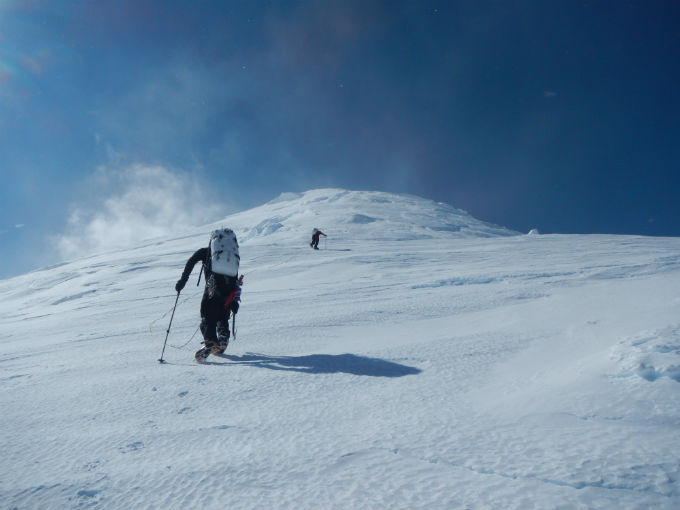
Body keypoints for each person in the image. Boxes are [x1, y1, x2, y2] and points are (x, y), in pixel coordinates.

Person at [175, 235, 242, 362]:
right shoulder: (230, 256)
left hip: (212, 288)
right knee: (223, 314)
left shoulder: (205, 252)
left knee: (208, 316)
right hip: (228, 292)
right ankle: (223, 337)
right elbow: (234, 277)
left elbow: (191, 262)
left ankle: (210, 341)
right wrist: (234, 300)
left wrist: (182, 281)